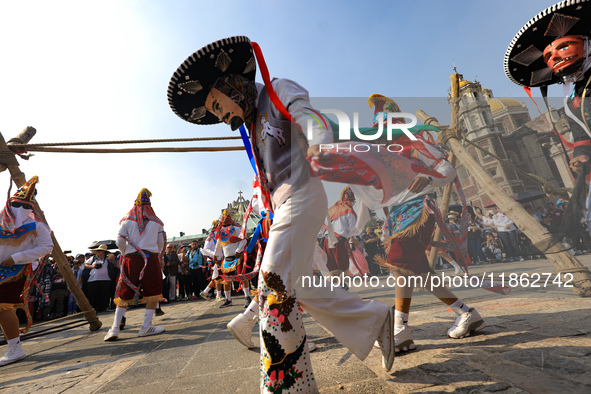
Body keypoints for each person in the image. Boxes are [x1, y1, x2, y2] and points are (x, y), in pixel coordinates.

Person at [168, 36, 396, 391]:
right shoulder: (253, 122)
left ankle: (289, 386)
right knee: (301, 286)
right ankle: (373, 320)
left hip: (304, 192)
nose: (220, 114)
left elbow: (308, 115)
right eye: (212, 111)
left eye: (217, 103)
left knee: (272, 282)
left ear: (232, 84)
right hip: (285, 204)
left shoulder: (276, 91)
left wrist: (319, 142)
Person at [0, 176, 53, 366]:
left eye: (26, 207)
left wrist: (16, 258)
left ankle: (15, 348)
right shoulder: (0, 219)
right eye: (16, 204)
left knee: (3, 306)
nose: (21, 210)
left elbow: (47, 248)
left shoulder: (38, 226)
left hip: (17, 270)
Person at [104, 188, 166, 341]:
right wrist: (155, 254)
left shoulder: (126, 220)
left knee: (124, 292)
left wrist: (126, 253)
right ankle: (146, 327)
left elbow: (120, 241)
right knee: (153, 292)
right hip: (150, 258)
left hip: (131, 258)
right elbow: (161, 243)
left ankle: (115, 329)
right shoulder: (157, 222)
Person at [84, 244, 112, 312]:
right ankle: (94, 308)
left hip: (105, 279)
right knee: (93, 294)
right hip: (93, 279)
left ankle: (103, 307)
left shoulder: (108, 258)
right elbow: (86, 265)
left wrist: (106, 254)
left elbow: (113, 256)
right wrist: (93, 266)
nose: (99, 252)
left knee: (104, 294)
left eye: (101, 251)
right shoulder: (93, 258)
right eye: (98, 250)